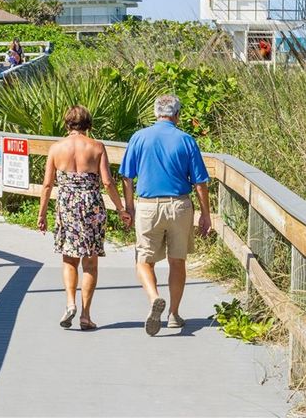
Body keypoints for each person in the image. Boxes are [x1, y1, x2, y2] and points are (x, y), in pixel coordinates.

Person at [119, 95, 212, 336]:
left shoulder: (139, 137)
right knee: (177, 260)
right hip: (179, 205)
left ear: (155, 113)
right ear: (177, 114)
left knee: (144, 260)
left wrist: (129, 207)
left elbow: (127, 177)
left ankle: (153, 297)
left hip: (148, 206)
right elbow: (200, 182)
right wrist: (205, 214)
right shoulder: (186, 140)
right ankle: (173, 314)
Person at [38, 106, 131, 330]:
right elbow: (108, 182)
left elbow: (48, 184)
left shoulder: (56, 148)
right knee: (90, 262)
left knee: (69, 259)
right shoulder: (97, 147)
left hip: (67, 205)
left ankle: (70, 303)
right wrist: (121, 209)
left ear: (67, 124)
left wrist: (42, 214)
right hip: (91, 205)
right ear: (89, 124)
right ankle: (86, 315)